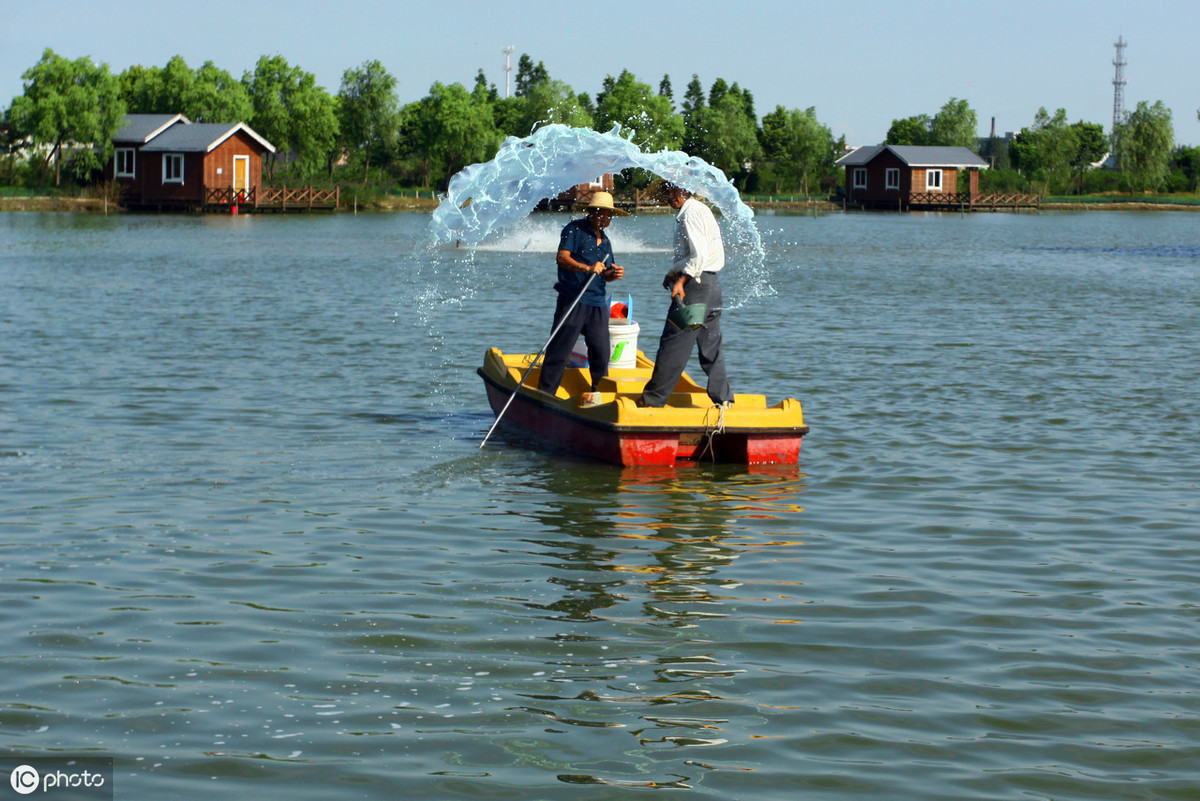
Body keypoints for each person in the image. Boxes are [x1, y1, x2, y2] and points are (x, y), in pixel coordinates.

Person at [639, 182, 733, 408]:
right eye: (668, 192)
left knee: (674, 342)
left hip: (696, 287)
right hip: (712, 285)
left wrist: (681, 280)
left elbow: (698, 256)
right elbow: (696, 255)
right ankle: (724, 400)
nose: (671, 196)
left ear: (687, 191)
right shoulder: (701, 210)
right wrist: (672, 272)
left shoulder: (689, 214)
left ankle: (652, 401)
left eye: (675, 191)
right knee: (710, 345)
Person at [536, 190, 627, 405]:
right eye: (601, 213)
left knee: (601, 352)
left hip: (597, 303)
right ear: (591, 212)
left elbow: (604, 272)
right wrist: (586, 268)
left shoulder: (605, 242)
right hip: (573, 299)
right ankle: (545, 395)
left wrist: (614, 274)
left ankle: (599, 396)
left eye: (608, 215)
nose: (604, 218)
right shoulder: (574, 230)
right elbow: (562, 258)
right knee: (560, 350)